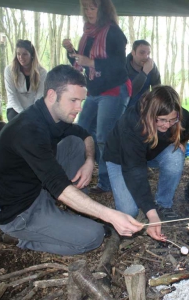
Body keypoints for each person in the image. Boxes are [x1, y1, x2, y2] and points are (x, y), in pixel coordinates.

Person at [0, 65, 143, 255]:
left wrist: (89, 161)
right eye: (73, 100)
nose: (79, 108)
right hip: (20, 212)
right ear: (51, 95)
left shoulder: (54, 115)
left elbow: (84, 134)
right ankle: (23, 239)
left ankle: (76, 207)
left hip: (36, 186)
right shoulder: (28, 130)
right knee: (94, 236)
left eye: (81, 101)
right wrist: (110, 215)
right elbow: (59, 185)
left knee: (75, 142)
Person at [62, 0, 131, 195]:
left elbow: (118, 65)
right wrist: (71, 52)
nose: (89, 11)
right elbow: (81, 61)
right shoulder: (88, 32)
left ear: (103, 10)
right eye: (85, 8)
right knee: (82, 131)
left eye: (93, 7)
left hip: (114, 90)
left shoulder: (115, 33)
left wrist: (91, 61)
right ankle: (79, 175)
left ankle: (106, 183)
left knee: (103, 137)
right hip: (93, 91)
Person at [103, 85, 189, 231]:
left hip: (151, 152)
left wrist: (181, 142)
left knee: (176, 155)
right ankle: (152, 209)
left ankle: (163, 204)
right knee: (129, 211)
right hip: (120, 159)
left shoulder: (177, 115)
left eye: (172, 120)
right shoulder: (131, 123)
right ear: (151, 114)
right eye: (162, 120)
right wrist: (151, 214)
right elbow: (135, 171)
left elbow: (188, 126)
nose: (168, 125)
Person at [4, 39, 47, 121]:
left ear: (32, 55)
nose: (21, 57)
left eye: (25, 54)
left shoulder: (42, 72)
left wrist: (32, 113)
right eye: (18, 54)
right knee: (18, 126)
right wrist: (23, 114)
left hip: (35, 109)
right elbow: (12, 96)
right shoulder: (9, 70)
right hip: (15, 108)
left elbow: (40, 95)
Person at [126, 40, 161, 107]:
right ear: (133, 53)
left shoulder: (152, 66)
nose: (146, 57)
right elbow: (128, 93)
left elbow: (157, 91)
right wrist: (144, 73)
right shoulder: (123, 67)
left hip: (144, 110)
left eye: (148, 53)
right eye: (142, 53)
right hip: (125, 111)